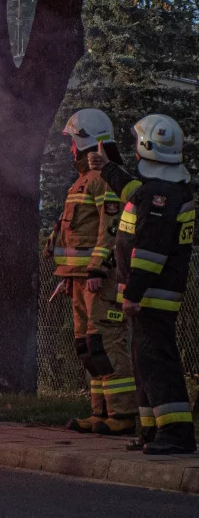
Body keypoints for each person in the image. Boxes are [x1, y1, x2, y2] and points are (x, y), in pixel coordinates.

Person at [90, 114, 196, 455]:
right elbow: (135, 192)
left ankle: (177, 435)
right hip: (151, 295)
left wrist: (134, 293)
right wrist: (107, 168)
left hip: (152, 296)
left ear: (145, 148)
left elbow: (150, 252)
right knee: (146, 364)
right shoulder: (163, 190)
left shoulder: (161, 197)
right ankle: (153, 432)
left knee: (158, 363)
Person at [45, 109, 136, 435]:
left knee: (107, 344)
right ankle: (101, 414)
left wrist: (98, 268)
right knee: (89, 347)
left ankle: (123, 416)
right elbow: (73, 236)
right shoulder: (81, 183)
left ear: (85, 141)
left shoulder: (104, 180)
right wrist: (69, 276)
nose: (70, 147)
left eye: (73, 140)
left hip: (101, 279)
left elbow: (111, 231)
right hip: (81, 280)